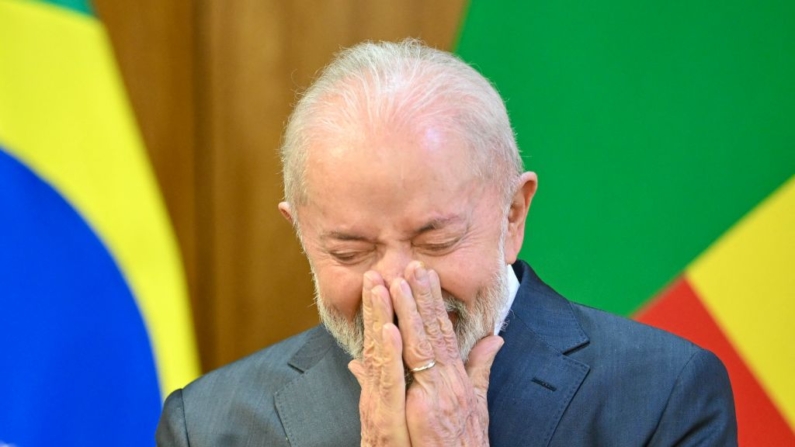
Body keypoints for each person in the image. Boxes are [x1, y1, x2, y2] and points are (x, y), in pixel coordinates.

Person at [156, 39, 737, 446]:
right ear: (301, 234)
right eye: (350, 251)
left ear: (513, 214)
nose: (398, 281)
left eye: (436, 240)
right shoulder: (210, 425)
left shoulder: (662, 395)